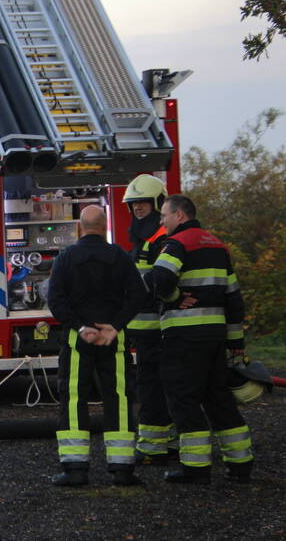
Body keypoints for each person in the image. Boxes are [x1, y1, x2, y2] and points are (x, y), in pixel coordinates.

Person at [149, 194, 254, 484]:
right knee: (219, 398)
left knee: (184, 399)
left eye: (164, 216)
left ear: (180, 216)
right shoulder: (218, 246)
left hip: (184, 336)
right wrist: (235, 345)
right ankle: (240, 463)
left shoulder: (178, 243)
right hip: (215, 338)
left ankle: (195, 469)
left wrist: (175, 297)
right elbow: (234, 299)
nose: (162, 222)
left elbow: (159, 278)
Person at [46, 205, 147, 486]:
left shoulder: (65, 258)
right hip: (113, 340)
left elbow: (55, 300)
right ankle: (122, 469)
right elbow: (138, 295)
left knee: (74, 399)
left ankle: (75, 469)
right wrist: (114, 326)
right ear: (104, 227)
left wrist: (81, 327)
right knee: (120, 399)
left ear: (80, 228)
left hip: (79, 341)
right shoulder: (121, 257)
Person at [122, 174, 176, 464]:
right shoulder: (145, 240)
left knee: (156, 388)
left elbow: (159, 285)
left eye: (142, 203)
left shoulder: (161, 241)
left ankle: (156, 447)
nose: (137, 209)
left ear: (157, 204)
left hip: (161, 331)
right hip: (145, 331)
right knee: (151, 387)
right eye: (133, 205)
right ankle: (159, 444)